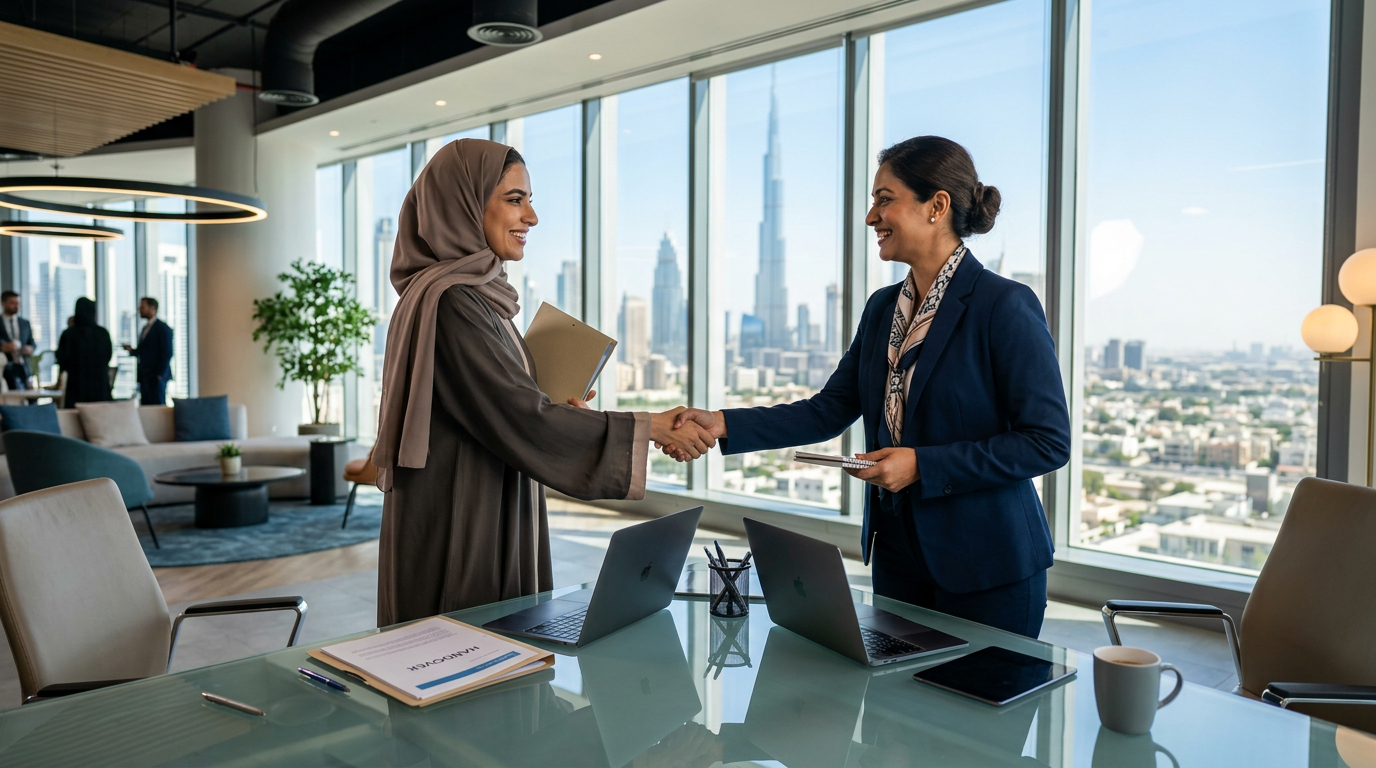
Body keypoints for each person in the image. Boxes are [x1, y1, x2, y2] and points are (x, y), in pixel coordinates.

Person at [665, 136, 1070, 638]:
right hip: (899, 555)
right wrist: (722, 423)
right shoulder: (884, 308)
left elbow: (1047, 441)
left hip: (989, 564)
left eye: (885, 199)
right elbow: (829, 409)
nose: (870, 216)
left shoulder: (1003, 305)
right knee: (898, 713)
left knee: (982, 708)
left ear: (936, 206)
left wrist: (922, 464)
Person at [372, 138, 716, 626]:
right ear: (464, 205)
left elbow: (500, 403)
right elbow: (518, 416)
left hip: (480, 499)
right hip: (463, 517)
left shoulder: (474, 296)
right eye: (515, 200)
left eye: (530, 201)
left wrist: (558, 408)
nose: (531, 218)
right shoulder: (453, 302)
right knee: (465, 664)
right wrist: (652, 427)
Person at [55, 297, 113, 408]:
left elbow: (62, 359)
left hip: (77, 388)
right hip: (100, 388)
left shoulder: (69, 335)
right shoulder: (103, 333)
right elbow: (108, 356)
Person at [123, 296, 174, 405]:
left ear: (152, 309)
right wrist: (132, 351)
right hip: (145, 375)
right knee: (146, 405)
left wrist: (160, 374)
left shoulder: (162, 328)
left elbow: (167, 352)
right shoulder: (145, 328)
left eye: (143, 306)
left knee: (157, 405)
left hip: (156, 376)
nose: (140, 309)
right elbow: (145, 351)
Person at [0, 291, 36, 391]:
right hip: (5, 368)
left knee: (29, 398)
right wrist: (3, 347)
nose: (16, 306)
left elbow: (32, 342)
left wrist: (30, 349)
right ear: (3, 304)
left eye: (17, 303)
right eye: (12, 303)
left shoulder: (24, 323)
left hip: (23, 368)